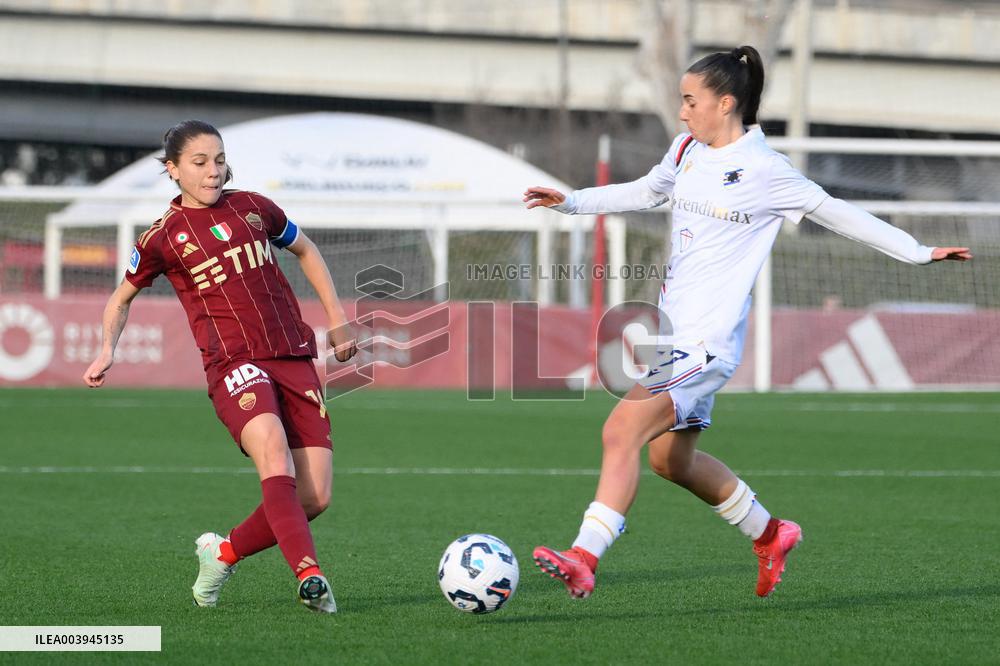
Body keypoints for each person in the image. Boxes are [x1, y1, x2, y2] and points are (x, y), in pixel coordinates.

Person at [523, 45, 972, 600]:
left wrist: (918, 251)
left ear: (726, 102)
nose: (683, 112)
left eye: (691, 101)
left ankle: (584, 556)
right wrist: (571, 201)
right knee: (669, 459)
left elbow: (837, 212)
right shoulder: (686, 147)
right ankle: (770, 532)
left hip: (706, 343)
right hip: (675, 338)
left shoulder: (765, 171)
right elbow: (646, 190)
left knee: (619, 431)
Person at [83, 120, 358, 613]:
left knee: (315, 497)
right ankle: (310, 575)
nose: (214, 171)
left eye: (219, 159)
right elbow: (120, 299)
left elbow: (306, 249)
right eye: (200, 162)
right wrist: (108, 348)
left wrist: (337, 320)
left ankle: (222, 552)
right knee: (274, 455)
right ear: (172, 170)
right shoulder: (160, 239)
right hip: (233, 362)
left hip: (293, 354)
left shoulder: (254, 207)